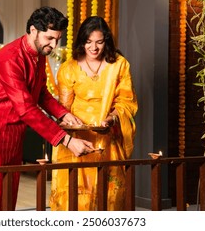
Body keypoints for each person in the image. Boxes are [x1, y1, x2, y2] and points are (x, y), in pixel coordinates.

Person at [0, 6, 95, 211]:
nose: (53, 45)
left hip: (14, 134)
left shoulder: (39, 55)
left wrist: (63, 114)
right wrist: (66, 140)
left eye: (57, 39)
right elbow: (26, 108)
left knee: (8, 198)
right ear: (33, 30)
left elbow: (40, 94)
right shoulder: (10, 58)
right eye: (49, 38)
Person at [49, 16, 138, 211]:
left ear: (106, 41)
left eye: (99, 42)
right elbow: (64, 108)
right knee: (75, 194)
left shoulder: (119, 65)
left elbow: (126, 100)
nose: (94, 48)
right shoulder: (69, 68)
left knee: (110, 195)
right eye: (88, 42)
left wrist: (113, 117)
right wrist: (69, 123)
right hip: (77, 138)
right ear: (82, 42)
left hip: (108, 138)